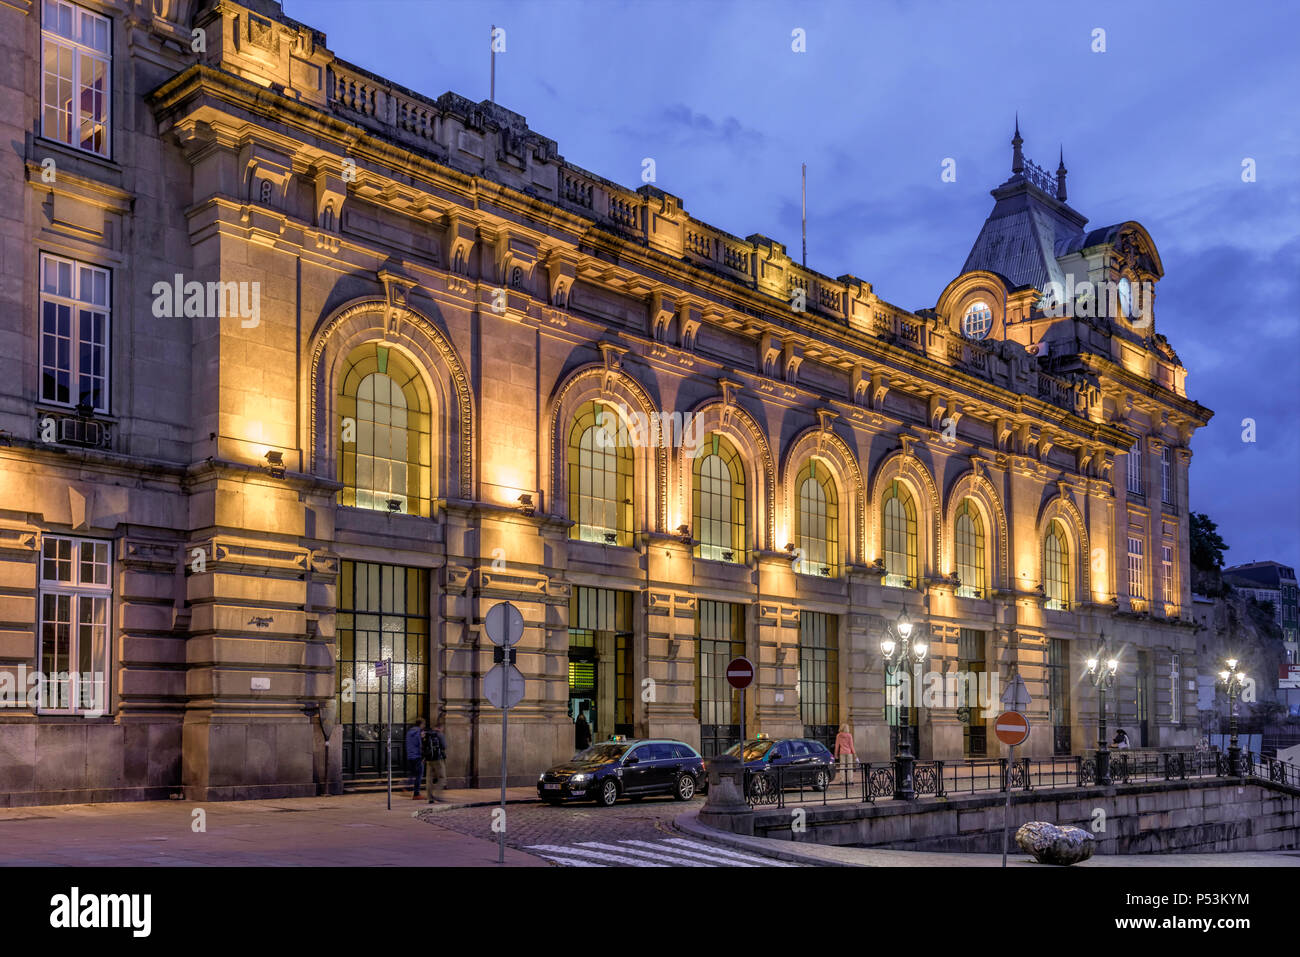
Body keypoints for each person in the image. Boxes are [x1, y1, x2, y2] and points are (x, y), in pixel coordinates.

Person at [423, 713, 448, 801]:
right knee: (442, 777)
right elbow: (444, 746)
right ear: (440, 728)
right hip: (438, 759)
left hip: (429, 759)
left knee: (429, 779)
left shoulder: (428, 734)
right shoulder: (440, 734)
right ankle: (436, 793)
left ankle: (429, 797)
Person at [405, 717, 426, 800]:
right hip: (417, 756)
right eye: (423, 724)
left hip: (410, 755)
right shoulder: (419, 732)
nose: (424, 726)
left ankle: (406, 787)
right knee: (419, 775)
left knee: (413, 773)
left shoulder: (409, 732)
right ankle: (416, 794)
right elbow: (420, 744)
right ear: (421, 724)